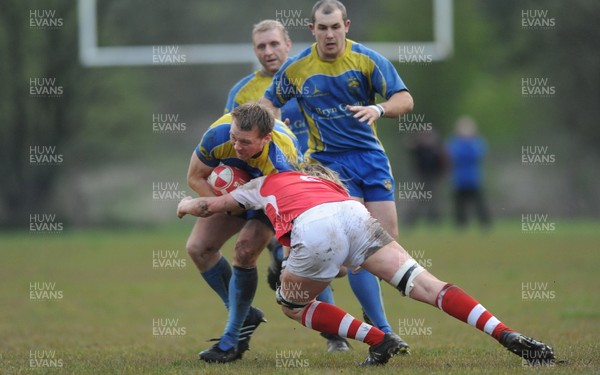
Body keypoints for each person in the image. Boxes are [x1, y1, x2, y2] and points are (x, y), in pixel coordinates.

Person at [177, 163, 556, 367]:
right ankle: (506, 333)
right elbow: (340, 256)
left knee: (290, 305)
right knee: (427, 285)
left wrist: (186, 205)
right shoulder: (321, 179)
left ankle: (380, 339)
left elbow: (212, 206)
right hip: (352, 214)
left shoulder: (256, 187)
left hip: (316, 228)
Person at [260, 0, 413, 349]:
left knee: (385, 241)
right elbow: (271, 101)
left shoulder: (367, 60)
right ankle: (378, 331)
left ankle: (309, 271)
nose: (329, 34)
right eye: (322, 28)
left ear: (346, 25)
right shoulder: (297, 68)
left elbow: (405, 99)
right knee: (360, 244)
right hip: (328, 164)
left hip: (370, 159)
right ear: (312, 30)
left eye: (335, 27)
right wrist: (273, 124)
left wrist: (379, 107)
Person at [223, 19, 350, 352]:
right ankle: (235, 334)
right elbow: (231, 143)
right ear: (254, 50)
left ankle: (337, 334)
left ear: (288, 44)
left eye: (274, 44)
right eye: (261, 46)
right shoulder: (241, 92)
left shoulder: (308, 77)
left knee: (317, 252)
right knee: (242, 250)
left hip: (309, 183)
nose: (268, 51)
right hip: (263, 189)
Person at [184, 102, 301, 363]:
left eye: (245, 142)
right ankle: (245, 315)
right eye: (234, 138)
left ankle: (230, 341)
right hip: (235, 198)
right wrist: (229, 207)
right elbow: (195, 177)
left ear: (266, 138)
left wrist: (288, 256)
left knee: (245, 250)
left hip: (273, 197)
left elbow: (287, 211)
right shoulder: (217, 135)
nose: (237, 146)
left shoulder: (283, 161)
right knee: (198, 248)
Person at [446, 116, 491, 229]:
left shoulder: (477, 142)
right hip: (459, 179)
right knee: (459, 205)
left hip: (473, 179)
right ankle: (461, 225)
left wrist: (466, 150)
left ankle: (485, 224)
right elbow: (451, 155)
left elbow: (478, 154)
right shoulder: (454, 142)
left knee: (479, 204)